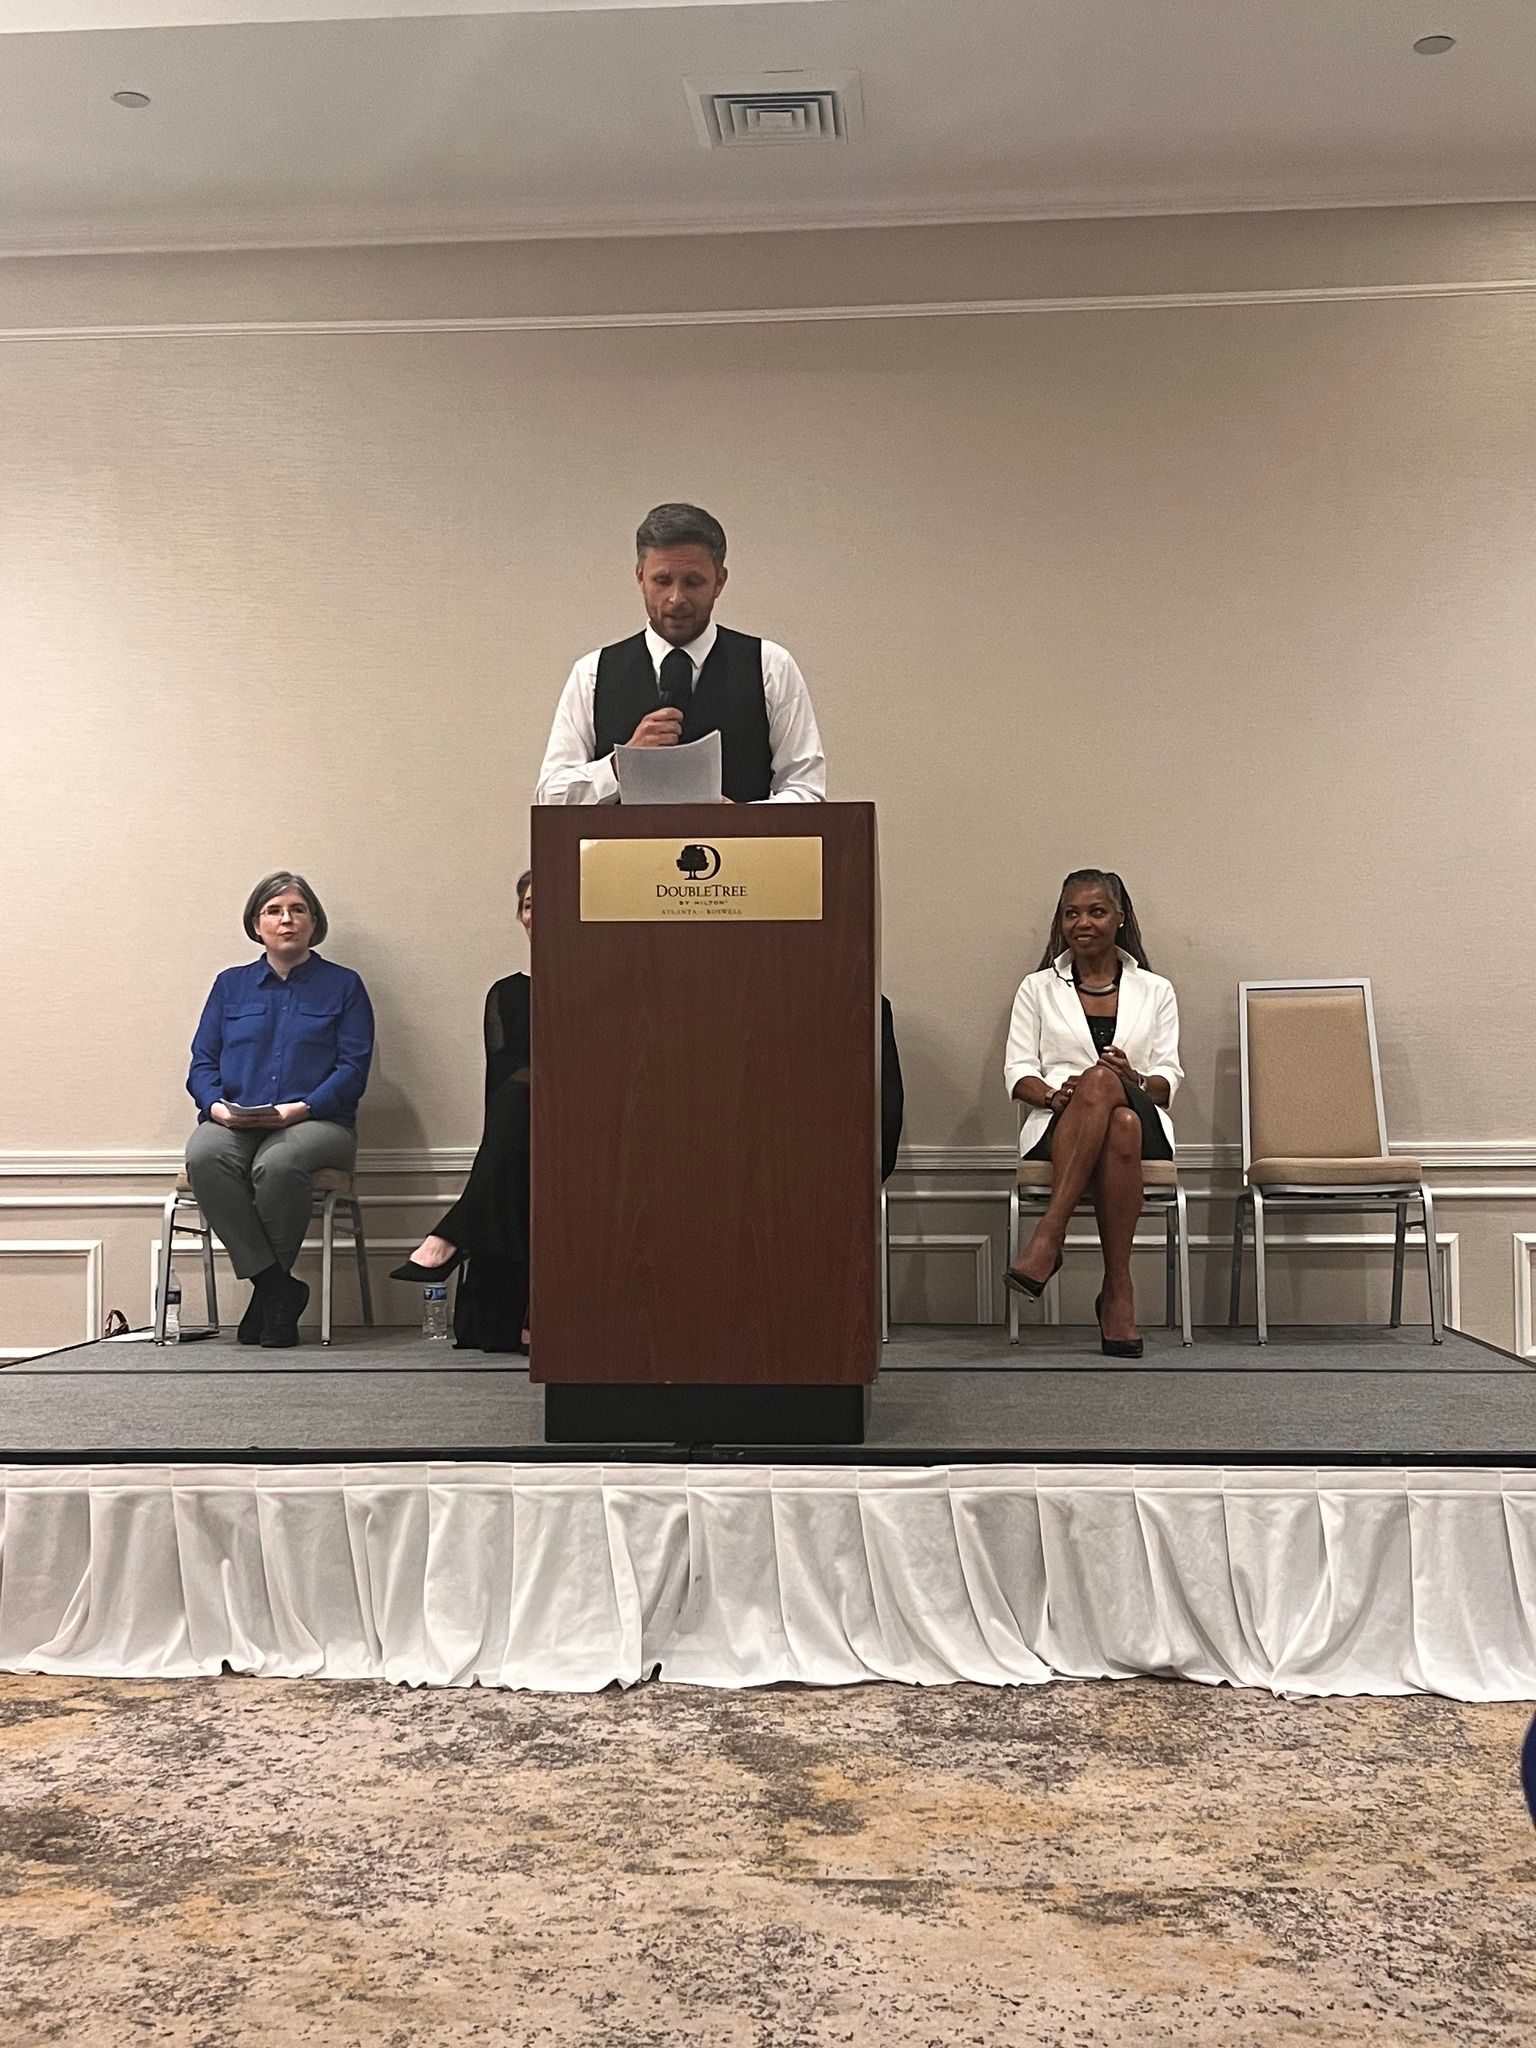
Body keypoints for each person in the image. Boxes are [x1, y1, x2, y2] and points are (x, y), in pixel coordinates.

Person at [185, 871, 374, 1348]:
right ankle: (277, 1289)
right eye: (273, 910)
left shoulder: (344, 986)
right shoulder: (230, 986)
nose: (286, 919)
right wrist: (216, 1107)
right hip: (236, 1118)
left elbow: (353, 1069)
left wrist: (301, 1108)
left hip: (319, 1123)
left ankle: (266, 1297)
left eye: (297, 909)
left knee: (279, 1162)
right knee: (205, 1155)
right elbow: (202, 1063)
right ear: (256, 924)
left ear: (314, 922)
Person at [535, 502, 826, 805]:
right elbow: (551, 797)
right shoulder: (592, 673)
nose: (676, 599)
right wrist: (619, 766)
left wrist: (742, 821)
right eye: (662, 581)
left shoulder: (770, 667)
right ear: (640, 577)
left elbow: (807, 792)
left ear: (719, 581)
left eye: (693, 582)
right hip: (623, 854)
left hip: (741, 854)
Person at [1002, 870, 1182, 1358]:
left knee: (1109, 1085)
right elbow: (1019, 1072)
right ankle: (1118, 1292)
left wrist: (1135, 1080)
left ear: (1120, 918)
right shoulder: (1036, 988)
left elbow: (1168, 1081)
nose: (1083, 922)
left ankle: (1049, 1236)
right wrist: (1052, 1096)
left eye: (1096, 911)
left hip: (1144, 1116)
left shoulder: (1156, 990)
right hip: (1059, 1122)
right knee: (1115, 1122)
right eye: (1071, 913)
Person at [391, 870, 532, 1352]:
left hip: (586, 1116)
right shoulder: (506, 992)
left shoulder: (593, 980)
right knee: (518, 1103)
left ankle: (452, 1231)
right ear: (520, 916)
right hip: (523, 1130)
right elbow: (504, 1076)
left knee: (522, 1103)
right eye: (529, 904)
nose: (537, 913)